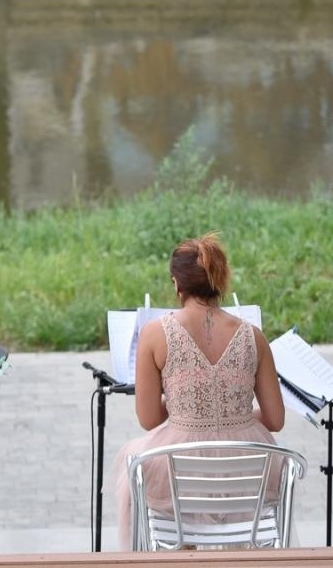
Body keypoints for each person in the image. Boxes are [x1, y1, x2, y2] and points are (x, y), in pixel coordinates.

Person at [111, 233, 286, 550]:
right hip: (248, 466)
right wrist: (234, 417)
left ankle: (182, 552)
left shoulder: (155, 334)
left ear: (177, 284)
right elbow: (275, 419)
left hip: (179, 464)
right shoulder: (254, 336)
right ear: (219, 281)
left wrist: (187, 407)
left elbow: (149, 418)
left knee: (135, 458)